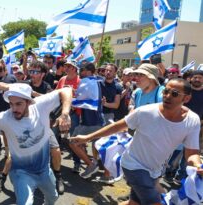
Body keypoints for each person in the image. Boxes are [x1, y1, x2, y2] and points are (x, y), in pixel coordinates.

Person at [71, 78, 202, 205]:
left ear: (186, 98)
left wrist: (197, 166)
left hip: (154, 170)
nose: (167, 96)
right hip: (133, 165)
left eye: (174, 94)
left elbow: (191, 153)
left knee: (134, 202)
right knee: (154, 201)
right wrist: (87, 137)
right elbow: (117, 126)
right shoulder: (145, 112)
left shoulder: (192, 121)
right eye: (165, 91)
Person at [0, 83, 72, 205]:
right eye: (11, 104)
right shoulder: (5, 117)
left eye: (18, 104)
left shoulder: (41, 105)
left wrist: (65, 114)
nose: (14, 109)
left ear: (29, 102)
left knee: (53, 197)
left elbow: (66, 90)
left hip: (44, 170)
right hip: (21, 172)